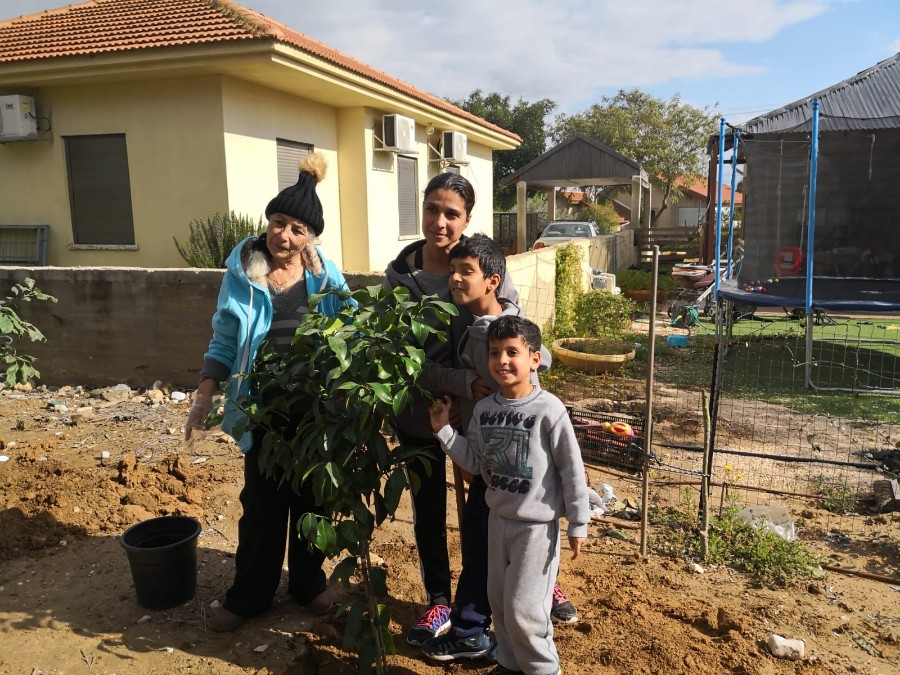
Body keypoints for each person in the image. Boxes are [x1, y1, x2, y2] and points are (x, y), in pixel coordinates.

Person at [184, 153, 356, 632]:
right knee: (261, 507)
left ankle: (309, 584)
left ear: (311, 238)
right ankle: (250, 596)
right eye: (280, 223)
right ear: (268, 221)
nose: (286, 236)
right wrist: (203, 397)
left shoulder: (324, 274)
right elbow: (223, 339)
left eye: (298, 229)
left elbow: (351, 328)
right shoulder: (243, 273)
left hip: (315, 410)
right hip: (262, 410)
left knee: (312, 501)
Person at [420, 235, 572, 663]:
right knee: (485, 544)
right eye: (452, 271)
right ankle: (491, 632)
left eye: (464, 272)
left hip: (503, 467)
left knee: (483, 545)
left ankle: (473, 628)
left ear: (491, 281)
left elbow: (527, 404)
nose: (453, 279)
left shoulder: (494, 330)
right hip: (487, 456)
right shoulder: (476, 320)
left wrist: (489, 450)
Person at [383, 173, 517, 645]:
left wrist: (469, 400)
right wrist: (460, 385)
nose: (439, 222)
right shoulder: (401, 275)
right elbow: (404, 355)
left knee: (494, 502)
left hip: (479, 415)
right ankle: (440, 599)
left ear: (467, 219)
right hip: (422, 412)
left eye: (451, 214)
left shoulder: (481, 262)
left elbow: (507, 326)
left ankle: (502, 590)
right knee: (428, 508)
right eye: (431, 209)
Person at [429, 315, 590, 675]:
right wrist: (445, 432)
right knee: (500, 603)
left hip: (536, 527)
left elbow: (571, 468)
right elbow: (476, 462)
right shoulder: (486, 411)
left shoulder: (549, 410)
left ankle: (542, 669)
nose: (502, 361)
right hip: (497, 521)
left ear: (534, 358)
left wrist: (578, 522)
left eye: (512, 352)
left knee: (525, 608)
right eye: (494, 353)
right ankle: (509, 664)